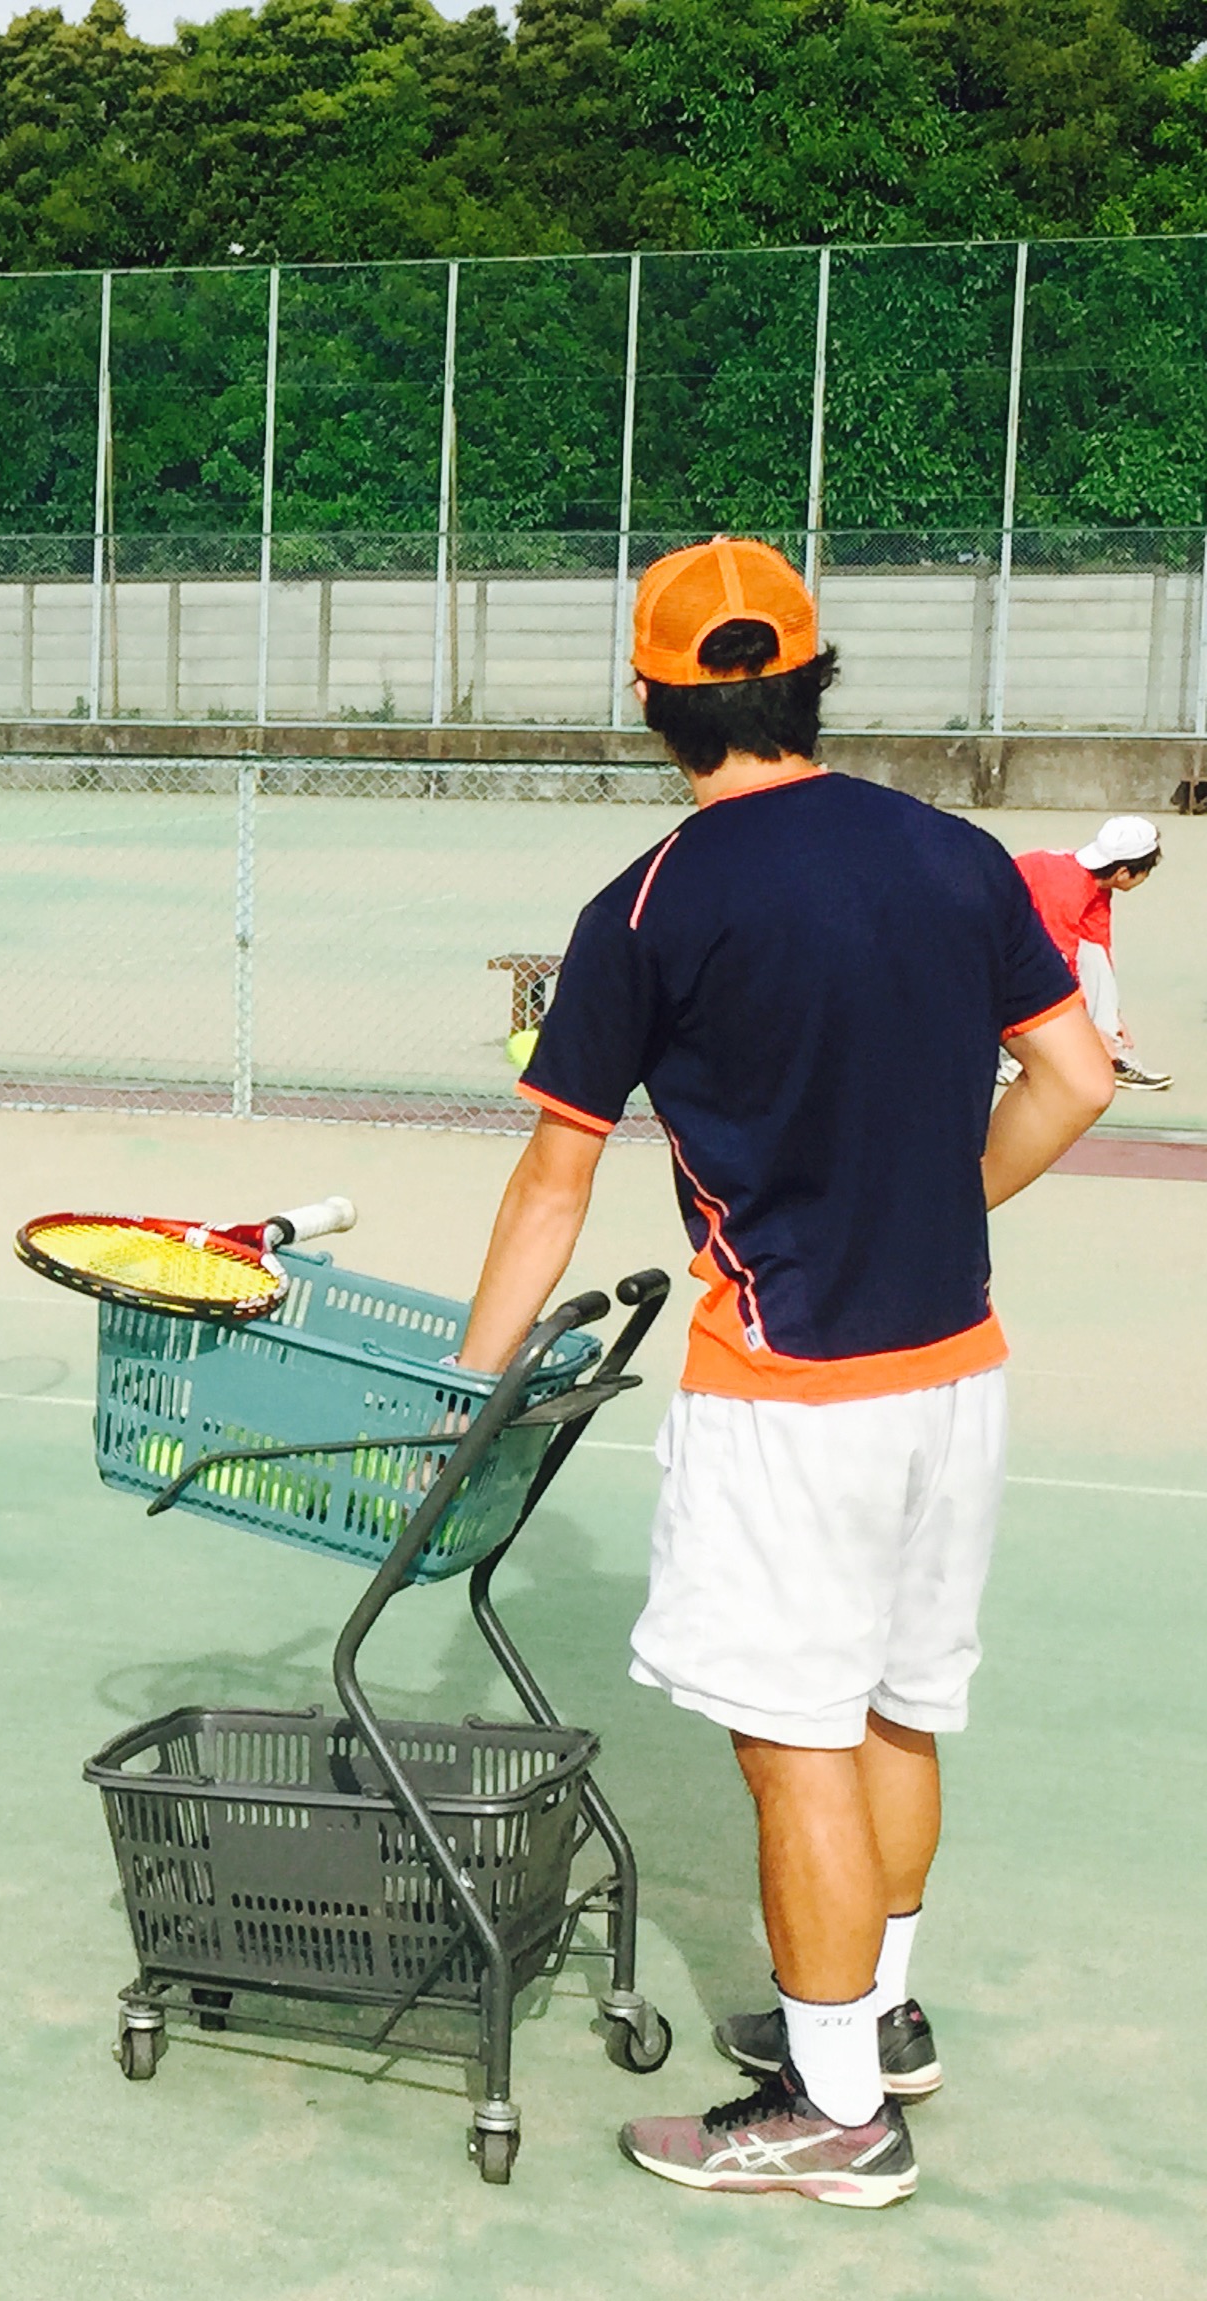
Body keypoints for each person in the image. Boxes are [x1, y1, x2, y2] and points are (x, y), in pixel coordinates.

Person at [456, 537, 1114, 2208]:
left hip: (792, 1389)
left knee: (793, 1740)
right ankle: (873, 2016)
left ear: (653, 701)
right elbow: (1075, 1076)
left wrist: (468, 1384)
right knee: (893, 1704)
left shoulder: (648, 904)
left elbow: (553, 1181)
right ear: (813, 679)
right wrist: (942, 1203)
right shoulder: (952, 853)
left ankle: (832, 2114)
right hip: (955, 1370)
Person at [1014, 817, 1169, 1091]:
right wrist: (1088, 1029)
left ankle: (1110, 1057)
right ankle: (1011, 1059)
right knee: (1044, 980)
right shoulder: (1066, 889)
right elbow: (1056, 969)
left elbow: (1097, 951)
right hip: (977, 942)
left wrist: (1110, 1017)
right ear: (1123, 873)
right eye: (1147, 871)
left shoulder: (1096, 887)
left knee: (1092, 953)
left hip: (1013, 941)